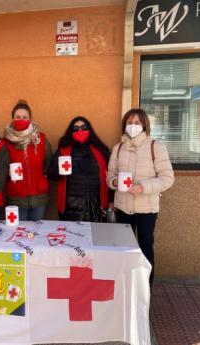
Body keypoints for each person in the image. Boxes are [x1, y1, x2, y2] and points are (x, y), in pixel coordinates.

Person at [107, 108, 174, 285]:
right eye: (129, 123)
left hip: (146, 210)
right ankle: (124, 286)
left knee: (145, 251)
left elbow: (167, 178)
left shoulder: (156, 147)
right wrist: (114, 182)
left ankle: (145, 289)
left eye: (137, 123)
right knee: (123, 250)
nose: (132, 126)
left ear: (144, 125)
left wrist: (143, 187)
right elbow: (110, 175)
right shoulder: (118, 148)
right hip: (122, 207)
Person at [48, 116, 113, 222]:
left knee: (96, 237)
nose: (80, 130)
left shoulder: (100, 150)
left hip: (96, 205)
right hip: (71, 206)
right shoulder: (63, 150)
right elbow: (51, 174)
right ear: (71, 131)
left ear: (89, 130)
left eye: (84, 127)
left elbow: (110, 176)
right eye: (76, 128)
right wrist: (60, 171)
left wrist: (111, 201)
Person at [4, 100, 52, 221]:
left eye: (25, 117)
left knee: (36, 233)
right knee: (19, 233)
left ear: (30, 119)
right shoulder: (6, 142)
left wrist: (43, 177)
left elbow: (49, 161)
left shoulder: (40, 139)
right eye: (18, 117)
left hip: (39, 197)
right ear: (12, 119)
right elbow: (1, 168)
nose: (21, 120)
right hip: (16, 197)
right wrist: (8, 173)